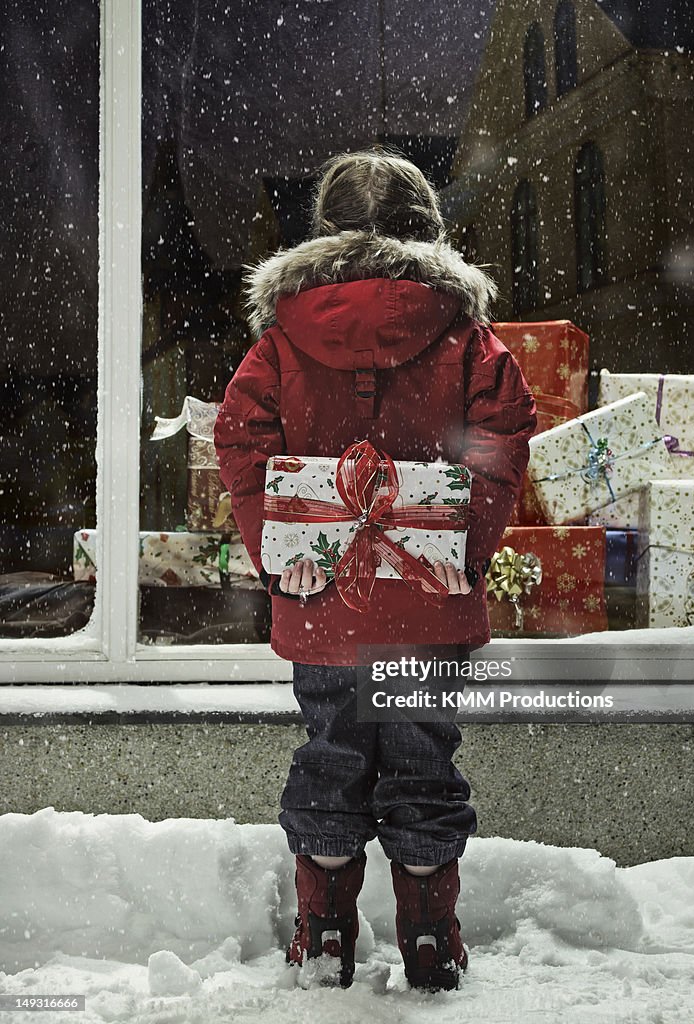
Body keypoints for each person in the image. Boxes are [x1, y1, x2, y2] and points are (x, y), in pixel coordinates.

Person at [214, 148, 536, 991]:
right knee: (424, 759)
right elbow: (502, 435)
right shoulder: (466, 335)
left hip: (322, 604)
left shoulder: (285, 335)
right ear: (428, 230)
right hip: (428, 608)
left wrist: (282, 549)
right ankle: (430, 934)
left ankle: (323, 931)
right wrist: (459, 547)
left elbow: (241, 440)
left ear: (323, 234)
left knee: (331, 753)